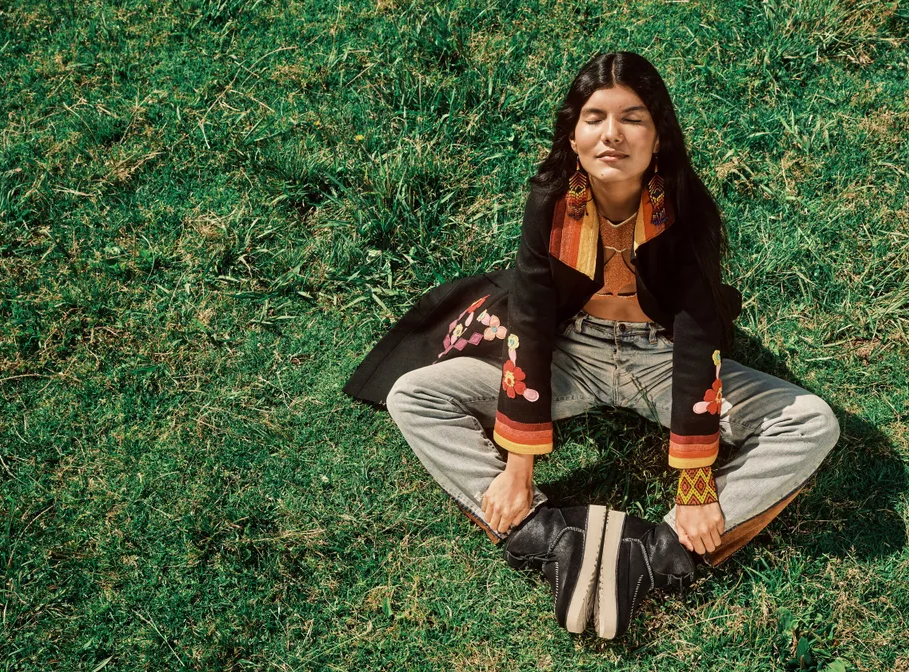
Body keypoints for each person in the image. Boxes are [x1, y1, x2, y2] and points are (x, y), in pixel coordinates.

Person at [342, 52, 839, 638]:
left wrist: (698, 484)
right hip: (568, 356)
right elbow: (528, 323)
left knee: (813, 422)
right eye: (595, 117)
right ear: (573, 136)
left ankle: (656, 551)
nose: (612, 134)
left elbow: (695, 340)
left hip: (660, 358)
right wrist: (518, 469)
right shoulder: (549, 204)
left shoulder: (688, 212)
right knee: (414, 395)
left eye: (632, 118)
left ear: (659, 138)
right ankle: (548, 537)